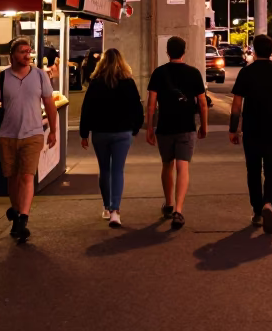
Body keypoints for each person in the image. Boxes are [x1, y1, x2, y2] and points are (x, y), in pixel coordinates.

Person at [0, 37, 57, 242]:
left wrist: (53, 130)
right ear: (12, 55)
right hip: (7, 136)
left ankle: (22, 220)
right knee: (12, 178)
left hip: (33, 134)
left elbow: (49, 104)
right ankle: (16, 211)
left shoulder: (40, 76)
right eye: (23, 51)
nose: (27, 55)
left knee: (26, 177)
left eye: (29, 51)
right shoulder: (1, 78)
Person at [229, 33, 272, 234]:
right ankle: (269, 202)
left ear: (254, 50)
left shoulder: (246, 73)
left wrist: (233, 129)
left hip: (251, 128)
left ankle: (257, 211)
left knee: (253, 170)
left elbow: (236, 105)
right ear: (271, 51)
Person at [146, 36, 207, 230]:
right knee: (183, 167)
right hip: (186, 126)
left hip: (165, 127)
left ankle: (169, 202)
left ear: (167, 52)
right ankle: (178, 211)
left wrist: (149, 127)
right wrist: (204, 125)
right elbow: (202, 103)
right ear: (184, 51)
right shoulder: (194, 73)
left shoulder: (158, 73)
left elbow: (151, 104)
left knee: (167, 165)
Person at [79, 47, 143, 227]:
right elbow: (137, 108)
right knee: (117, 170)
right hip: (123, 132)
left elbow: (87, 109)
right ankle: (115, 211)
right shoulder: (128, 82)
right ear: (122, 62)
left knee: (104, 170)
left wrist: (84, 133)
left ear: (102, 62)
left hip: (100, 132)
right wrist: (136, 128)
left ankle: (107, 207)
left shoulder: (96, 82)